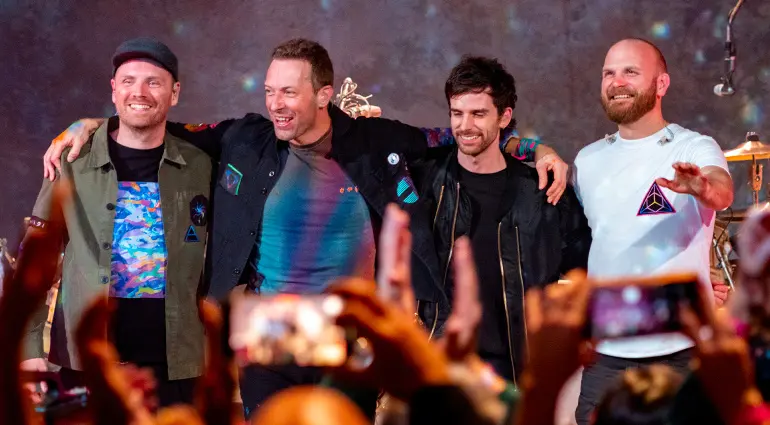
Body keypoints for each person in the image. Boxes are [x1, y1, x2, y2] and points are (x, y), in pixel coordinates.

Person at [41, 38, 569, 417]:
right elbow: (154, 124)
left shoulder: (374, 142)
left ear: (323, 94)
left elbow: (458, 136)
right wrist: (89, 124)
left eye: (289, 93)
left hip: (348, 336)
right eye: (270, 91)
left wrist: (535, 148)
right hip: (268, 336)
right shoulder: (247, 140)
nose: (276, 104)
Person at [20, 37, 213, 408]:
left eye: (153, 82)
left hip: (177, 362)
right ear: (113, 89)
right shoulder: (71, 162)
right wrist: (29, 348)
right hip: (87, 357)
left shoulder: (201, 166)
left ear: (175, 93)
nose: (139, 92)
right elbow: (34, 260)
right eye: (128, 81)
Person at [571, 38, 734, 425]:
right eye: (608, 73)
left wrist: (702, 188)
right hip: (607, 352)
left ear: (661, 84)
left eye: (630, 72)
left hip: (680, 350)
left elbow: (722, 191)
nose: (617, 82)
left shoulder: (694, 147)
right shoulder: (586, 161)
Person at [413, 56, 591, 385]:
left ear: (504, 116)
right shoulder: (424, 182)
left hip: (521, 375)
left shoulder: (544, 194)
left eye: (478, 114)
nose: (465, 125)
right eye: (457, 113)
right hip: (441, 371)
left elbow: (589, 270)